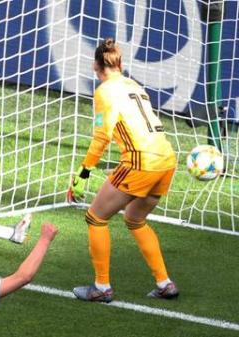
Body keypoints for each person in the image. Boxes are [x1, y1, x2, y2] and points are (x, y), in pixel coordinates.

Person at [67, 38, 179, 302]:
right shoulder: (134, 86)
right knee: (135, 219)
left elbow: (102, 136)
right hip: (166, 159)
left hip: (141, 161)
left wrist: (84, 173)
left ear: (96, 65)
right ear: (121, 64)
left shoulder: (104, 91)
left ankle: (102, 288)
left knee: (96, 217)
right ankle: (165, 283)